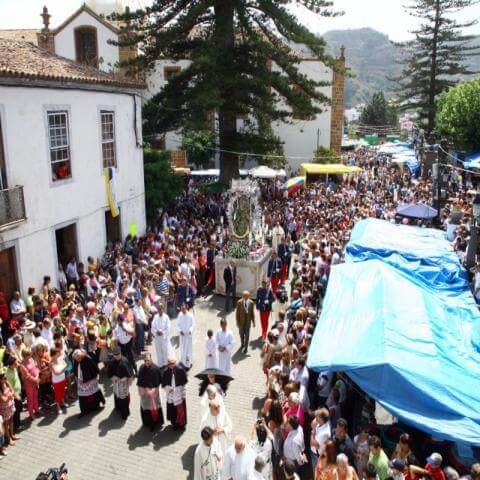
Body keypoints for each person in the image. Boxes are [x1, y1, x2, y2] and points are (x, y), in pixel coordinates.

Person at [72, 349, 105, 417]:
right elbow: (75, 369)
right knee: (82, 396)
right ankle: (84, 411)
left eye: (78, 358)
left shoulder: (87, 358)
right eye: (76, 358)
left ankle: (96, 406)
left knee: (94, 392)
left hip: (90, 380)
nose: (78, 359)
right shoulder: (76, 360)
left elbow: (94, 367)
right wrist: (77, 377)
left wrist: (96, 376)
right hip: (81, 381)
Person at [137, 353, 164, 430]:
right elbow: (140, 381)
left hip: (154, 392)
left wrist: (154, 390)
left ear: (151, 359)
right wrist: (143, 389)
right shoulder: (142, 368)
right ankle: (147, 423)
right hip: (145, 393)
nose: (147, 362)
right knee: (146, 408)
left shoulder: (156, 368)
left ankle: (156, 422)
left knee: (155, 408)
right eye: (145, 361)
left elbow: (159, 381)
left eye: (148, 360)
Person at [107, 345, 134, 420]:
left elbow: (130, 374)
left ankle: (125, 413)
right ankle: (118, 408)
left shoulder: (125, 361)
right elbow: (109, 373)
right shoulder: (112, 361)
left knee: (123, 398)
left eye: (118, 355)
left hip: (124, 383)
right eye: (115, 355)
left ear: (121, 353)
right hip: (116, 382)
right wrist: (113, 377)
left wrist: (128, 383)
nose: (117, 357)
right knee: (117, 395)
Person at [161, 356, 188, 429]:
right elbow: (163, 384)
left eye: (173, 363)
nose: (172, 365)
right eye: (170, 364)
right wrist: (168, 388)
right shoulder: (165, 371)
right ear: (168, 363)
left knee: (181, 411)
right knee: (173, 411)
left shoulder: (180, 370)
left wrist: (184, 393)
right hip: (171, 395)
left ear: (175, 363)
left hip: (179, 393)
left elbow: (184, 383)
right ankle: (174, 424)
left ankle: (182, 424)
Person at [19, 348, 40, 419]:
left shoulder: (31, 359)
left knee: (35, 396)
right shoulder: (22, 365)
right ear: (25, 355)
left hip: (35, 382)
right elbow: (27, 376)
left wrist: (37, 376)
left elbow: (36, 368)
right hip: (29, 384)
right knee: (30, 399)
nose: (30, 356)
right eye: (29, 355)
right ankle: (31, 413)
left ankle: (37, 409)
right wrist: (36, 379)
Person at [49, 348, 67, 412]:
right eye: (58, 352)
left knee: (63, 391)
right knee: (57, 394)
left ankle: (63, 402)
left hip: (63, 378)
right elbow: (56, 373)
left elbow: (66, 365)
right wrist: (63, 369)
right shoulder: (51, 363)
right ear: (55, 354)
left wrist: (61, 371)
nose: (60, 353)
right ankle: (58, 406)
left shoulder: (60, 359)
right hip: (56, 381)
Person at [177, 304, 195, 369]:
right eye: (181, 310)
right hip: (182, 336)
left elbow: (193, 324)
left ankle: (188, 363)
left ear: (186, 308)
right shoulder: (180, 315)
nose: (182, 311)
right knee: (182, 349)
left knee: (188, 350)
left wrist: (190, 330)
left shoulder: (190, 316)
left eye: (183, 309)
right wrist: (180, 330)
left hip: (188, 336)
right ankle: (182, 361)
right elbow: (177, 324)